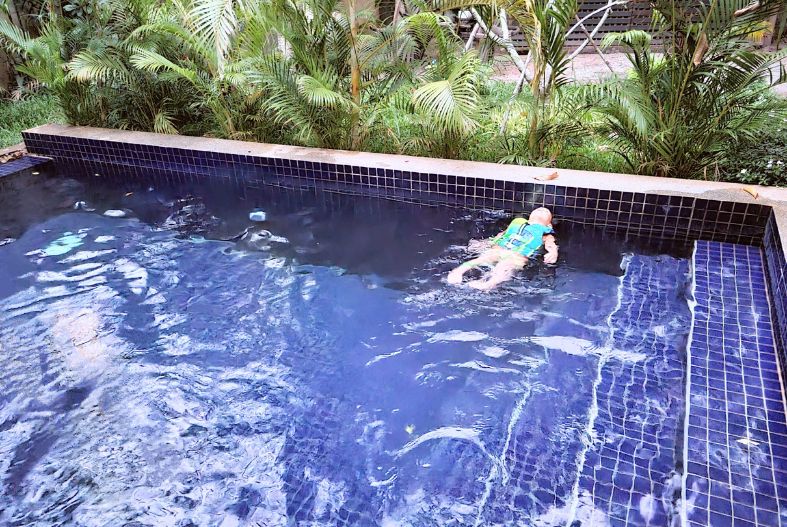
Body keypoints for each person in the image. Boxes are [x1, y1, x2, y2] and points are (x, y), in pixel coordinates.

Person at [447, 207, 558, 290]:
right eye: (539, 210)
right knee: (482, 258)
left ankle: (487, 284)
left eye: (545, 212)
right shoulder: (518, 224)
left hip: (517, 255)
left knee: (504, 267)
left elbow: (551, 244)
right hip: (500, 249)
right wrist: (485, 243)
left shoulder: (546, 234)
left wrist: (553, 252)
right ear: (529, 217)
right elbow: (501, 236)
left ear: (548, 225)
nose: (541, 211)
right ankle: (458, 272)